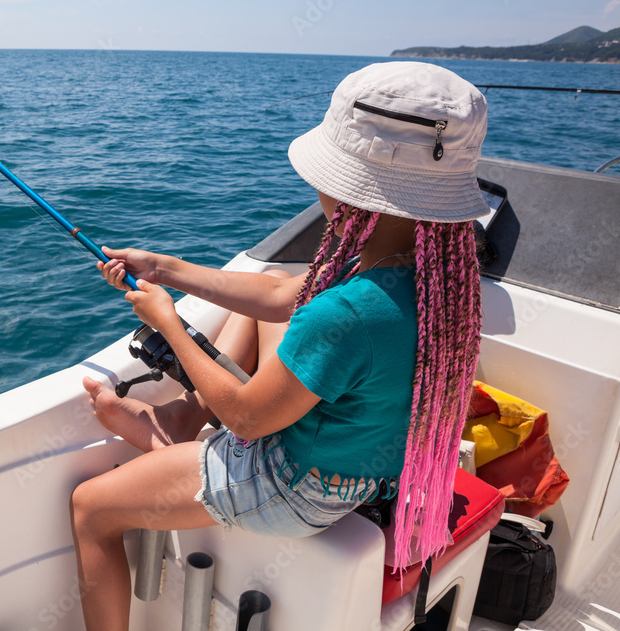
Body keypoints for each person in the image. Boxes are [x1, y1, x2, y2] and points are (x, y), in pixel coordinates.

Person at [70, 61, 488, 631]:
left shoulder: (346, 314)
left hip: (294, 489)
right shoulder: (438, 280)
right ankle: (178, 423)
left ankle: (171, 434)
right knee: (275, 320)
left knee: (91, 508)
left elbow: (246, 420)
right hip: (370, 470)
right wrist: (166, 268)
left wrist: (168, 322)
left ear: (347, 187)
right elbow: (278, 296)